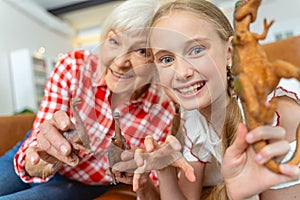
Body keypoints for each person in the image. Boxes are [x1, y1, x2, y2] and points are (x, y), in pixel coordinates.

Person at [114, 0, 300, 199]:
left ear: (229, 53)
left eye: (196, 50)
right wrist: (165, 169)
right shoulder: (192, 118)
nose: (182, 72)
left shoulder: (275, 115)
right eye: (166, 59)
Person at [0, 0, 176, 199]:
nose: (119, 62)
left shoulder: (163, 111)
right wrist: (39, 160)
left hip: (81, 183)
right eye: (114, 41)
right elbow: (36, 147)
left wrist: (140, 177)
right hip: (40, 156)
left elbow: (153, 185)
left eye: (141, 51)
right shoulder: (74, 67)